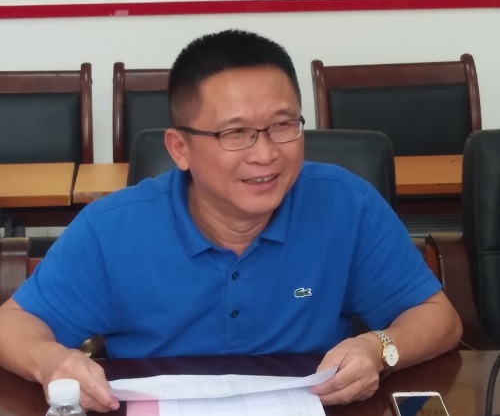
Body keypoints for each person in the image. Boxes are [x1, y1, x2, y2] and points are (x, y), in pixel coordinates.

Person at [0, 29, 461, 413]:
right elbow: (13, 325)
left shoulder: (345, 205)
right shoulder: (112, 228)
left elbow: (439, 318)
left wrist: (379, 349)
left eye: (283, 125)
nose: (266, 154)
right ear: (179, 148)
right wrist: (51, 362)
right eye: (235, 133)